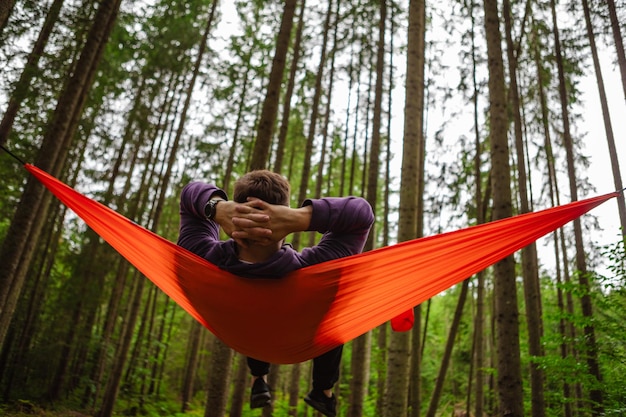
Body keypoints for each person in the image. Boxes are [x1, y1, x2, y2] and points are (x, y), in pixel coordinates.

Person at [177, 170, 374, 417]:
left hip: (244, 334)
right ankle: (323, 390)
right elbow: (361, 213)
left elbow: (189, 194)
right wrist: (303, 218)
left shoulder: (198, 259)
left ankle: (259, 378)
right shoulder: (317, 271)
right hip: (294, 333)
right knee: (334, 320)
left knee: (255, 315)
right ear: (283, 215)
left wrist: (216, 208)